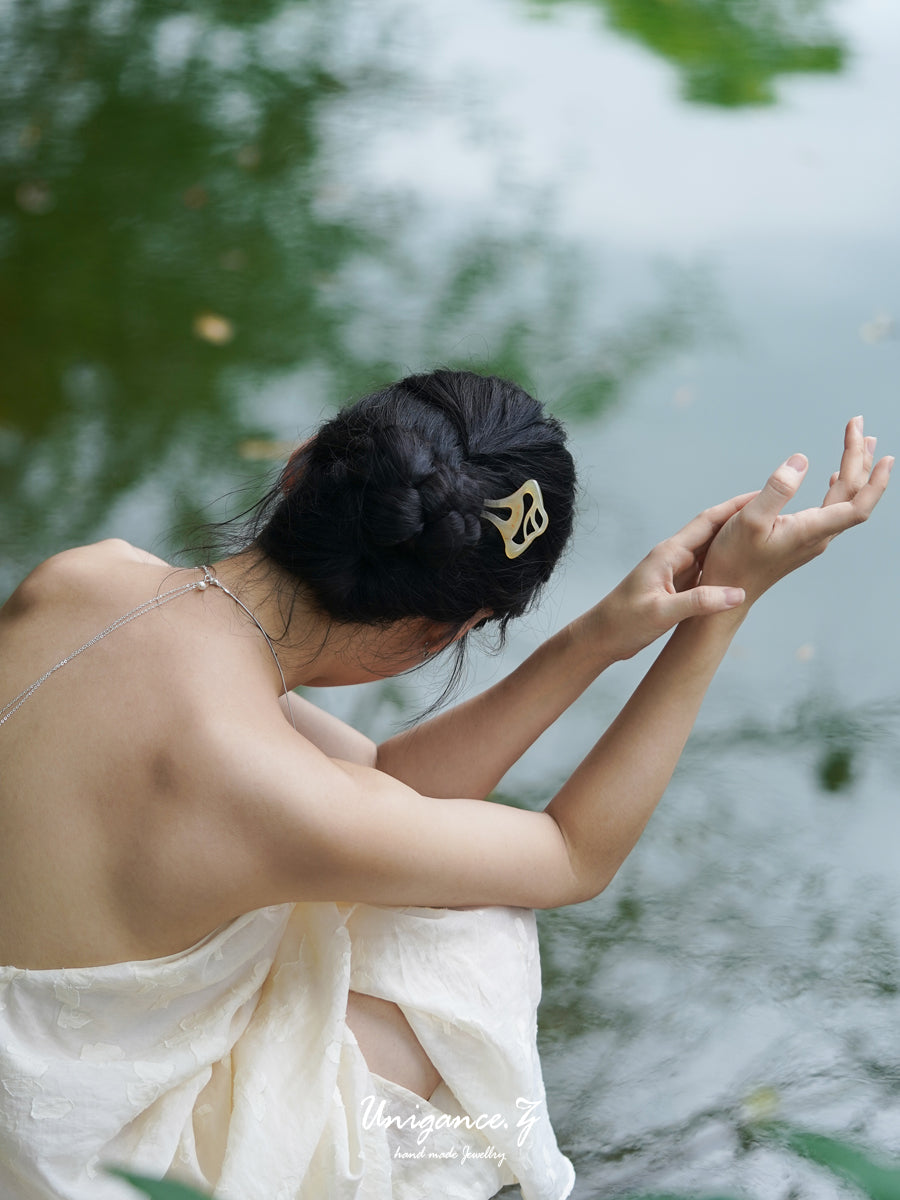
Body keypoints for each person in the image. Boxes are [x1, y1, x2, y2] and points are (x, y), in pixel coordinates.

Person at [0, 370, 891, 1200]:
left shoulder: (86, 575)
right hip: (65, 1150)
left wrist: (596, 638)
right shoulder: (267, 789)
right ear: (437, 635)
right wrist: (720, 614)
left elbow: (383, 786)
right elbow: (571, 856)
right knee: (470, 934)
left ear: (303, 464)